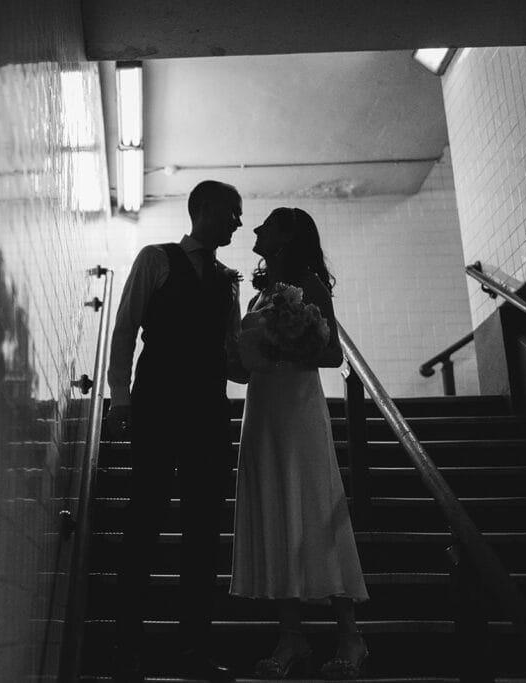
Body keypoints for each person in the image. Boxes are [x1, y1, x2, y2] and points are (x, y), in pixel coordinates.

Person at [106, 180, 245, 681]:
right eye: (232, 211)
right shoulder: (155, 258)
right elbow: (126, 327)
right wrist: (119, 396)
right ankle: (126, 644)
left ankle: (194, 649)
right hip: (158, 404)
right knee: (144, 520)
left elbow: (233, 359)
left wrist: (271, 347)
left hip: (209, 412)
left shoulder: (230, 281)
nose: (238, 222)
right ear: (202, 208)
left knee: (203, 531)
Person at [229, 207, 369, 680]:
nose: (256, 229)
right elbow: (244, 365)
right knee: (275, 511)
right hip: (262, 412)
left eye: (267, 224)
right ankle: (291, 635)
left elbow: (332, 353)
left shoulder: (309, 286)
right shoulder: (258, 294)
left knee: (312, 508)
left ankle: (350, 635)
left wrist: (284, 345)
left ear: (287, 237)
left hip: (298, 412)